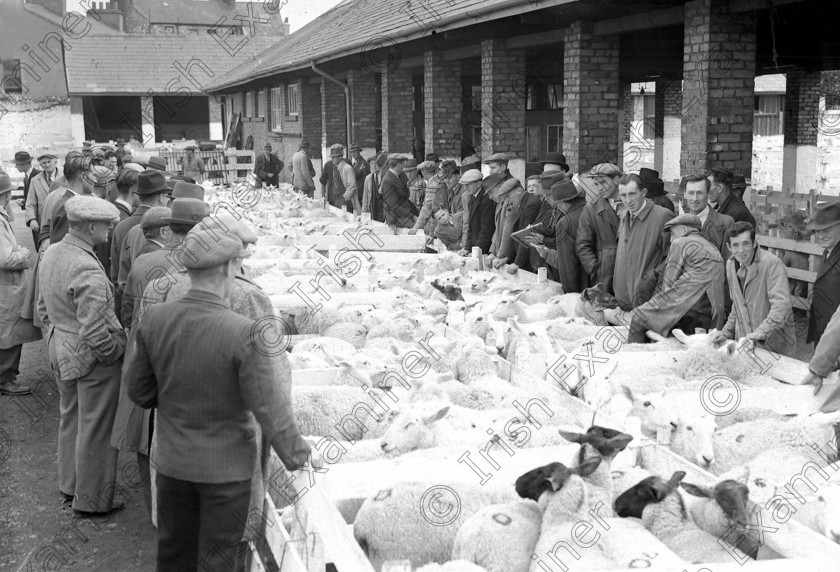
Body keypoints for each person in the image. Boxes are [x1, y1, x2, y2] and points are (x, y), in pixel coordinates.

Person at [125, 228, 319, 572]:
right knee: (218, 563)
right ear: (230, 268)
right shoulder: (244, 332)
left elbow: (139, 391)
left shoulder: (155, 320)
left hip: (172, 467)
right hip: (226, 476)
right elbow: (270, 407)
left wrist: (175, 397)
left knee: (173, 558)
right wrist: (299, 454)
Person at [38, 195, 126, 515]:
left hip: (60, 347)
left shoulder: (53, 253)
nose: (110, 228)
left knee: (71, 419)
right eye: (106, 224)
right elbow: (93, 332)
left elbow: (42, 308)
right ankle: (92, 502)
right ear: (91, 227)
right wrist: (114, 352)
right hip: (89, 357)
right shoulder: (86, 265)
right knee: (97, 428)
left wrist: (56, 337)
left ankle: (70, 487)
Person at [628, 214, 725, 344]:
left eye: (673, 233)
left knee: (638, 317)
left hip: (686, 308)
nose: (670, 239)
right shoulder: (714, 249)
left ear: (684, 230)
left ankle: (632, 361)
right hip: (710, 315)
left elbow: (669, 282)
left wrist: (658, 310)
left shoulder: (681, 242)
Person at [711, 221, 796, 357]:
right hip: (745, 343)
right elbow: (737, 305)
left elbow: (781, 306)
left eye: (745, 243)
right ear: (728, 247)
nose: (741, 250)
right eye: (736, 245)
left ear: (754, 243)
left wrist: (761, 332)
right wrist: (726, 331)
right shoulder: (731, 264)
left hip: (772, 345)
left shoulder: (772, 264)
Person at [0, 173, 41, 396]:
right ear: (6, 194)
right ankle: (6, 380)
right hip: (7, 285)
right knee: (10, 332)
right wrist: (24, 254)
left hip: (6, 285)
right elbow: (5, 258)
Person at [613, 173, 675, 309]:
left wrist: (652, 285)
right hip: (623, 300)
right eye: (623, 195)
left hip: (648, 302)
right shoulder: (624, 215)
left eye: (632, 194)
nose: (628, 200)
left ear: (643, 192)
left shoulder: (663, 216)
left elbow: (672, 260)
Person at [111, 170, 169, 308]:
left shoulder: (121, 226)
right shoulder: (166, 227)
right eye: (166, 195)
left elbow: (116, 276)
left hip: (129, 304)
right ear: (161, 197)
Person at [530, 179, 589, 292]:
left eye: (556, 204)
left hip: (580, 284)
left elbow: (567, 263)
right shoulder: (589, 211)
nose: (556, 208)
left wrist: (569, 291)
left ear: (562, 202)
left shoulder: (565, 222)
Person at [575, 163, 622, 293]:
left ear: (617, 179)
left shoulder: (632, 202)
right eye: (596, 184)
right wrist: (595, 269)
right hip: (605, 274)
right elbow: (583, 244)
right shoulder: (591, 208)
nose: (600, 188)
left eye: (603, 182)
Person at [807, 202, 840, 346]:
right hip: (824, 332)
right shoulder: (828, 251)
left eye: (826, 230)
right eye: (817, 231)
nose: (820, 236)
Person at [483, 157, 525, 269]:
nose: (490, 197)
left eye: (491, 192)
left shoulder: (511, 202)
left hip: (511, 257)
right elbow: (497, 230)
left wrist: (500, 255)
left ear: (500, 187)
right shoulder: (499, 204)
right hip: (501, 258)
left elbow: (508, 229)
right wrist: (492, 252)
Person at [684, 174, 734, 259]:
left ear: (708, 194)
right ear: (685, 194)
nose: (695, 198)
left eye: (699, 193)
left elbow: (728, 261)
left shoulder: (725, 223)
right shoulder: (678, 223)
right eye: (691, 193)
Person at [420, 161, 468, 250]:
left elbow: (462, 219)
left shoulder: (464, 192)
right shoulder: (442, 189)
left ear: (458, 176)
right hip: (452, 233)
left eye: (450, 177)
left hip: (462, 232)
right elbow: (436, 212)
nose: (447, 181)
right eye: (445, 178)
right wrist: (432, 234)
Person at [459, 167, 495, 256]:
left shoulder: (486, 199)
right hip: (476, 247)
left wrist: (478, 251)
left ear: (479, 183)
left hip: (484, 249)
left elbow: (486, 230)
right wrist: (467, 248)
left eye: (469, 184)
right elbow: (470, 228)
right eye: (465, 185)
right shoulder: (472, 198)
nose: (466, 187)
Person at [25, 153, 57, 249]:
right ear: (40, 165)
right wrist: (32, 219)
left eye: (49, 162)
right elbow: (30, 203)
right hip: (43, 223)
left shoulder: (65, 177)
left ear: (55, 161)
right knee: (44, 249)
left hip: (61, 220)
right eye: (43, 163)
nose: (47, 165)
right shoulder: (35, 180)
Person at [379, 153, 418, 233]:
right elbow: (394, 207)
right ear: (398, 165)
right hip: (397, 218)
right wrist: (412, 216)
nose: (404, 167)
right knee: (421, 228)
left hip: (403, 215)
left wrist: (417, 214)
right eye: (403, 164)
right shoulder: (388, 180)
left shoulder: (397, 176)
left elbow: (405, 198)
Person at [320, 144, 358, 212]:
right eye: (331, 157)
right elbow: (323, 182)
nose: (332, 159)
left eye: (334, 157)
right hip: (334, 200)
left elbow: (352, 186)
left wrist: (344, 198)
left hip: (346, 202)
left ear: (340, 157)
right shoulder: (335, 167)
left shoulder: (347, 168)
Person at [363, 151, 388, 222]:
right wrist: (364, 214)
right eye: (371, 164)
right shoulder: (368, 179)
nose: (374, 166)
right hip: (373, 211)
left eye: (375, 163)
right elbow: (365, 198)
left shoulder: (386, 177)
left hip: (384, 211)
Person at [14, 151, 39, 220]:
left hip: (40, 217)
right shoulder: (26, 178)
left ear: (25, 165)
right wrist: (24, 202)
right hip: (33, 217)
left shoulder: (39, 176)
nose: (15, 166)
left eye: (17, 164)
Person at [349, 143, 370, 207]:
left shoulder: (363, 163)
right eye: (352, 152)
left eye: (355, 152)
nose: (353, 154)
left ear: (359, 152)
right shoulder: (355, 163)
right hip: (355, 192)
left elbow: (367, 179)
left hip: (361, 193)